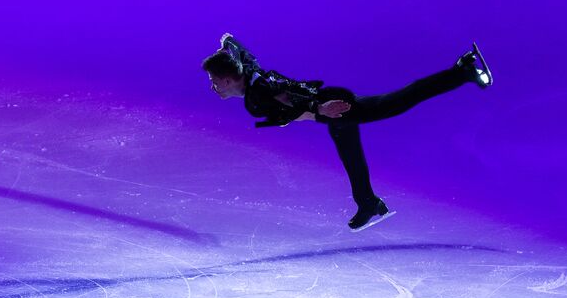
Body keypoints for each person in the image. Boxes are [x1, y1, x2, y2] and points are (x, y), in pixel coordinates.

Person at [203, 33, 492, 230]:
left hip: (334, 105)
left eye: (215, 82)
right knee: (351, 156)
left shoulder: (256, 97)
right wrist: (227, 42)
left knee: (401, 99)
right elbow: (237, 47)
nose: (213, 87)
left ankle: (462, 71)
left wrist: (320, 109)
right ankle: (368, 203)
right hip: (327, 108)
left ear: (229, 80)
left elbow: (290, 99)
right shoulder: (248, 70)